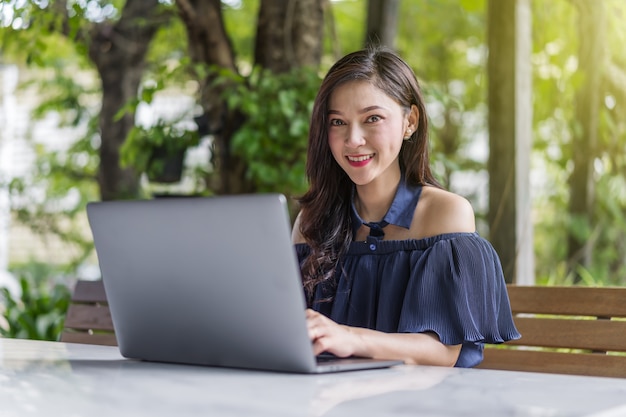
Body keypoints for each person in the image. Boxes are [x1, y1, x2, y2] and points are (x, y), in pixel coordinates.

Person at [291, 46, 521, 368]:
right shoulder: (311, 221)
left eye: (372, 118)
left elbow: (442, 352)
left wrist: (349, 337)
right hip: (326, 400)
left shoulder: (445, 214)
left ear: (410, 121)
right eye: (338, 122)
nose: (353, 139)